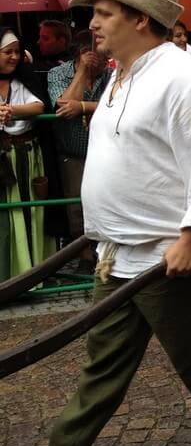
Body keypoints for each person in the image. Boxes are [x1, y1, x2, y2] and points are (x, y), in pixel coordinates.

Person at [0, 0, 191, 446]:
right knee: (104, 363)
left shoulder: (186, 80)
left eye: (105, 12)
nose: (93, 23)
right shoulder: (120, 75)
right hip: (118, 254)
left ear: (140, 17)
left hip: (168, 256)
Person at [47, 30, 110, 271]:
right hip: (73, 153)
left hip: (104, 151)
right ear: (84, 53)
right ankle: (84, 255)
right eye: (101, 56)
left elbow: (115, 104)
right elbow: (63, 107)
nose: (105, 61)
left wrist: (83, 106)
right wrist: (83, 72)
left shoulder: (110, 74)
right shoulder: (58, 73)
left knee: (105, 203)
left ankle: (105, 255)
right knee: (76, 208)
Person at [0, 28, 56, 281]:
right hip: (3, 161)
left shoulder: (24, 79)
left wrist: (11, 110)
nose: (13, 57)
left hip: (29, 157)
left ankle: (33, 274)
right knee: (7, 216)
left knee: (32, 212)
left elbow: (39, 105)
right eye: (7, 52)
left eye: (16, 52)